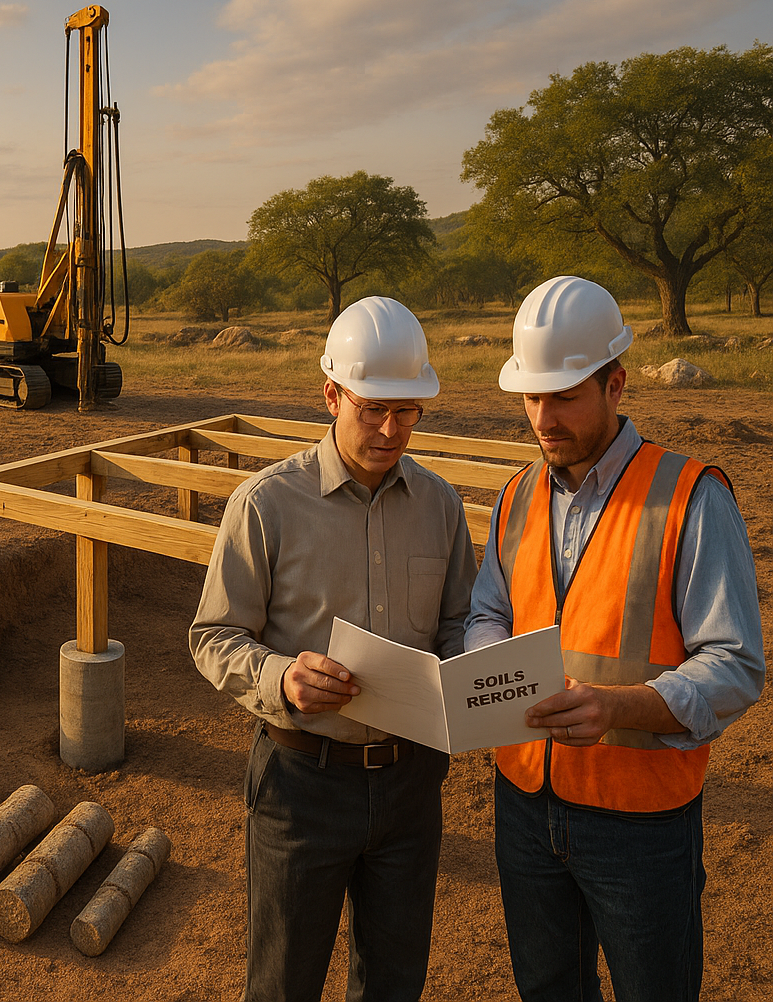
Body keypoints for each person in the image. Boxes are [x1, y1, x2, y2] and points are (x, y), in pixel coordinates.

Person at [465, 275, 764, 1002]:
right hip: (525, 805)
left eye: (564, 395)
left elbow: (735, 664)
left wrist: (619, 706)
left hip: (639, 823)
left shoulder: (691, 497)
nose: (543, 416)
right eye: (531, 397)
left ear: (617, 384)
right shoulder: (516, 495)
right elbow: (487, 612)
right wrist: (483, 666)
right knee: (548, 987)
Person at [190, 296, 477, 1002]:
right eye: (371, 408)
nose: (389, 429)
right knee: (285, 982)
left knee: (394, 979)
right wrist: (282, 676)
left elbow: (459, 621)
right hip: (301, 784)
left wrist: (467, 669)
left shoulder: (439, 505)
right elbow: (212, 636)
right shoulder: (266, 504)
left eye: (407, 411)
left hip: (412, 784)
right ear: (331, 394)